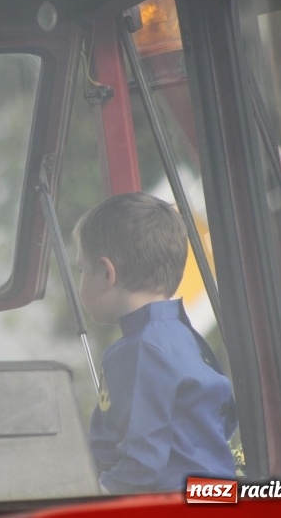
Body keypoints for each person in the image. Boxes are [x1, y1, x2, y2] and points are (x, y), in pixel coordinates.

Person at [73, 192, 237, 494]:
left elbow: (142, 465)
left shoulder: (140, 350)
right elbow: (221, 426)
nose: (80, 279)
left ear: (107, 272)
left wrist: (91, 496)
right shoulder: (185, 336)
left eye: (81, 270)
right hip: (216, 498)